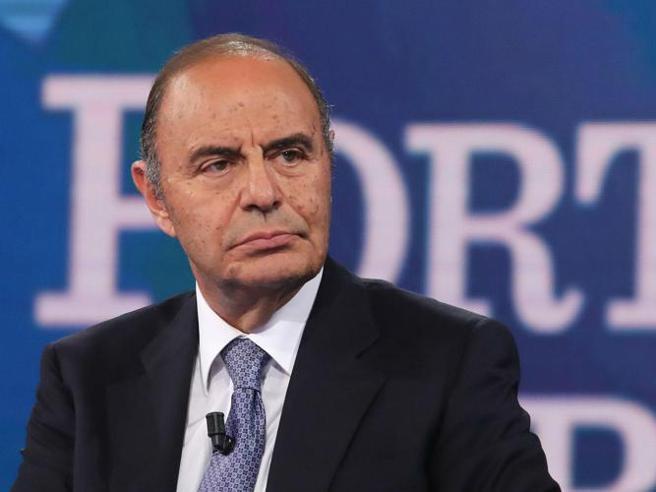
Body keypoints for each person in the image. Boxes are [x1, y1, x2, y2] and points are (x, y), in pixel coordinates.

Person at [12, 33, 559, 492]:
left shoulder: (447, 363)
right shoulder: (87, 377)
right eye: (219, 164)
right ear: (156, 198)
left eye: (290, 154)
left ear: (327, 162)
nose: (263, 192)